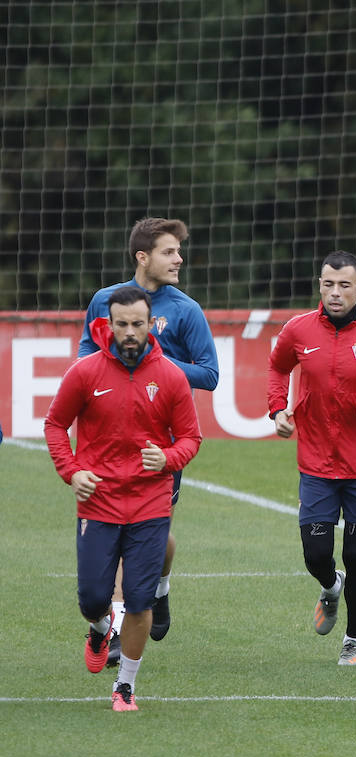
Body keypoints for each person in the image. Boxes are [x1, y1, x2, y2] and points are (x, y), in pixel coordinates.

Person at [45, 287, 203, 711]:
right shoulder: (85, 372)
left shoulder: (169, 375)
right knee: (93, 598)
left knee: (138, 600)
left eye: (138, 324)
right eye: (122, 324)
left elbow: (191, 438)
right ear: (108, 324)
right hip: (98, 502)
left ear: (151, 325)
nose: (130, 332)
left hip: (151, 505)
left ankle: (126, 686)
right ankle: (99, 629)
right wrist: (72, 471)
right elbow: (55, 425)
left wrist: (167, 458)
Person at [78, 217, 218, 656]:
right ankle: (116, 628)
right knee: (118, 536)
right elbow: (85, 352)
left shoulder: (186, 310)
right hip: (107, 442)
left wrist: (157, 367)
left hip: (161, 445)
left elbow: (210, 373)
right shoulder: (106, 300)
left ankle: (159, 584)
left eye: (179, 251)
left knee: (153, 538)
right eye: (168, 251)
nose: (179, 259)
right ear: (143, 257)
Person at [266, 251, 356, 666]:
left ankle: (354, 640)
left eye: (344, 285)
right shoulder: (298, 330)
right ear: (320, 284)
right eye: (328, 284)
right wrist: (278, 409)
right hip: (315, 463)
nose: (335, 292)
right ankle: (331, 587)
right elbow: (277, 369)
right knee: (315, 555)